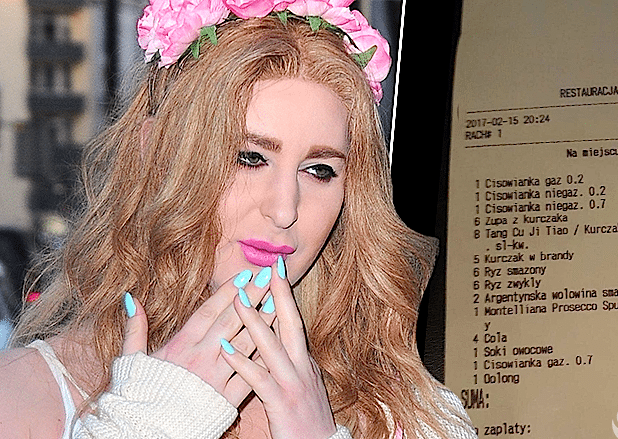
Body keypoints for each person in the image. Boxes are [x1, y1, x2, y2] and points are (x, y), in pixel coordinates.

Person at [0, 1, 477, 439]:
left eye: (319, 170)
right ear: (155, 154)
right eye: (249, 158)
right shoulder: (23, 397)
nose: (284, 210)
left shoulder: (415, 414)